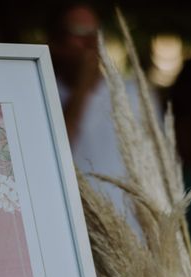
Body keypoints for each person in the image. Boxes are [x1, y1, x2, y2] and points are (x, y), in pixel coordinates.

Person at [49, 3, 142, 235]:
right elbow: (53, 153)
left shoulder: (131, 93)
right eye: (79, 34)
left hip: (127, 233)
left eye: (94, 34)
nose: (90, 44)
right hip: (73, 232)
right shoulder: (44, 92)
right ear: (56, 42)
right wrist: (81, 90)